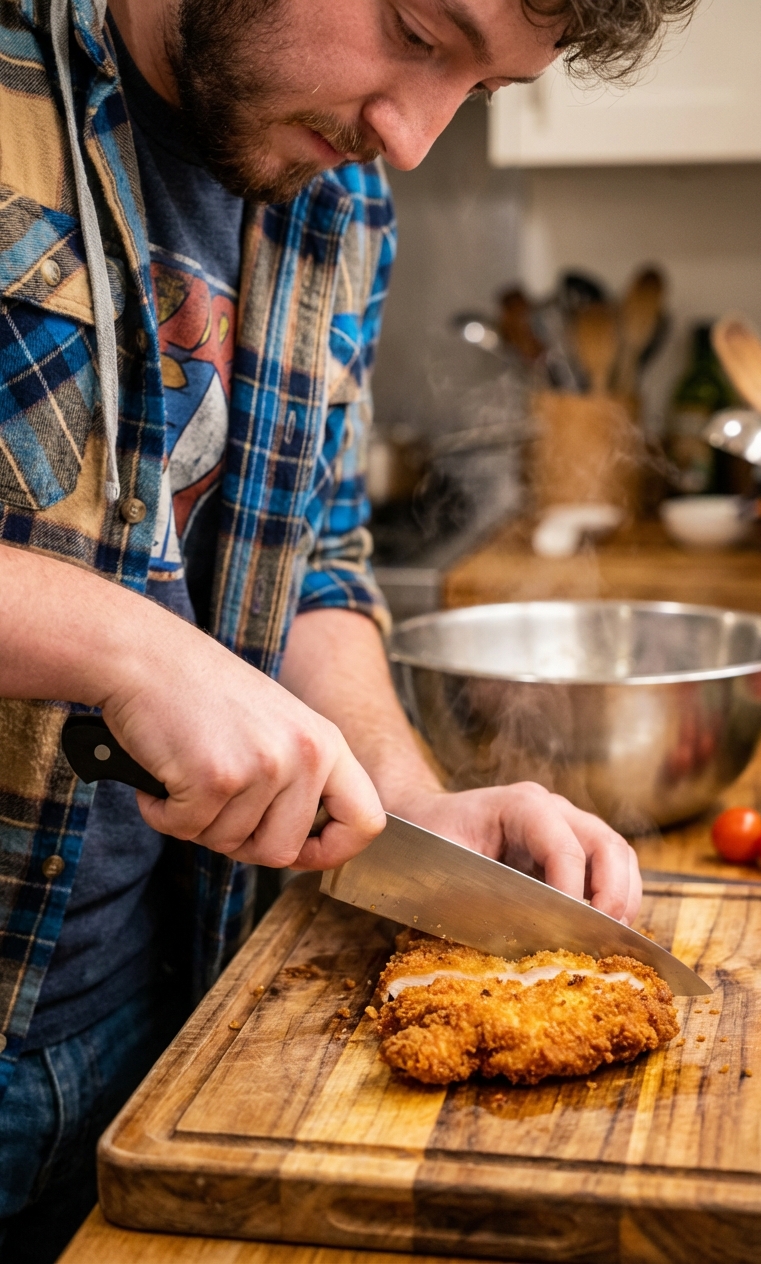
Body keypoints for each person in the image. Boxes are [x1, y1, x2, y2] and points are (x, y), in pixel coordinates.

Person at [0, 0, 695, 1258]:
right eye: (419, 32)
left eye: (476, 90)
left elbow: (309, 555)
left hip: (172, 1024)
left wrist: (408, 800)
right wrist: (126, 642)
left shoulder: (338, 184)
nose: (412, 136)